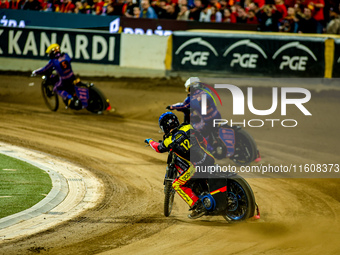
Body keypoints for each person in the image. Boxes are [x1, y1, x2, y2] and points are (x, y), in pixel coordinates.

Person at [145, 112, 215, 219]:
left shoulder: (169, 140)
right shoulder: (188, 126)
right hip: (209, 158)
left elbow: (158, 148)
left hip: (195, 167)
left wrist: (150, 141)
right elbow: (203, 141)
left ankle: (197, 206)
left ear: (164, 127)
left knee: (177, 184)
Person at [32, 43, 79, 108]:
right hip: (72, 76)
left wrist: (35, 72)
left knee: (56, 88)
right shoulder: (66, 55)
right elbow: (69, 60)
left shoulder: (53, 61)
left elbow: (44, 69)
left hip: (65, 79)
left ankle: (70, 97)